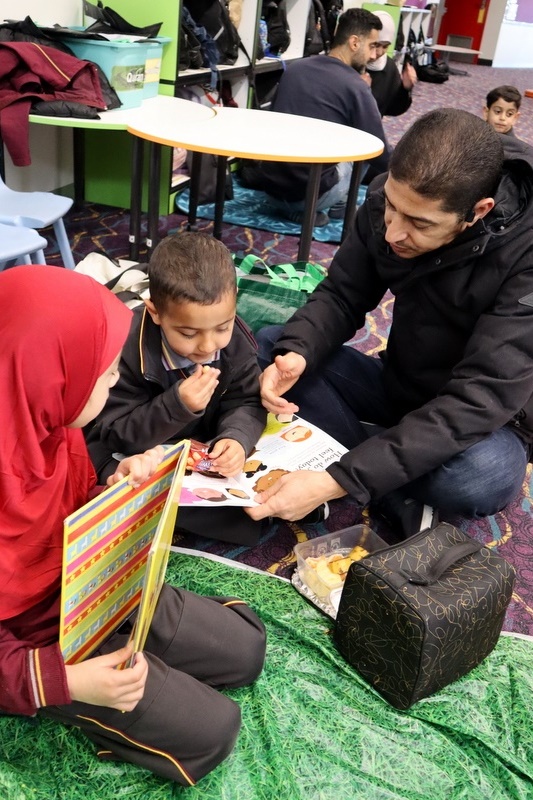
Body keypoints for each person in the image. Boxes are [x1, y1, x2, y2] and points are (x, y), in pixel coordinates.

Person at [0, 265, 266, 786]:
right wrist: (63, 681)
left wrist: (114, 492)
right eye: (101, 374)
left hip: (88, 589)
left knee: (246, 651)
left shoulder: (43, 420)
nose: (116, 379)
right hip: (34, 644)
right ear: (48, 376)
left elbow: (71, 510)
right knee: (214, 731)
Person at [247, 108, 533, 538]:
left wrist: (336, 481)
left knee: (477, 477)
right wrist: (300, 350)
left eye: (419, 223)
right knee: (274, 347)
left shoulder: (526, 254)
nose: (394, 233)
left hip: (489, 420)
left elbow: (480, 398)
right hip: (402, 383)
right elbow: (343, 294)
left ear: (478, 211)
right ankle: (388, 471)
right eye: (393, 210)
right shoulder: (392, 198)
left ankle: (363, 462)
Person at [87, 232, 266, 483]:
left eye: (222, 327)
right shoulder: (125, 349)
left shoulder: (235, 339)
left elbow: (247, 400)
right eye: (189, 333)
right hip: (139, 456)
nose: (207, 345)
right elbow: (114, 433)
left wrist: (235, 437)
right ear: (155, 312)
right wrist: (176, 406)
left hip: (201, 454)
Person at [241, 8, 390, 226]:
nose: (374, 55)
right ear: (355, 43)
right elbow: (381, 153)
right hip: (310, 196)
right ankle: (339, 207)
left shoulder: (296, 68)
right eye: (372, 46)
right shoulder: (355, 85)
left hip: (270, 189)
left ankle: (297, 210)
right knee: (367, 145)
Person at [360, 10, 417, 118]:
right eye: (375, 45)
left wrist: (405, 89)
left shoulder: (389, 67)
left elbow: (393, 109)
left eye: (385, 46)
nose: (379, 53)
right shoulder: (351, 63)